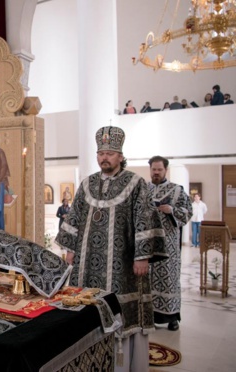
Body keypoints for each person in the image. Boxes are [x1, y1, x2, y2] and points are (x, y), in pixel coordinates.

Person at [55, 126, 166, 372]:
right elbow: (74, 217)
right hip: (86, 264)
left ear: (120, 155)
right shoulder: (87, 184)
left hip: (123, 264)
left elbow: (145, 218)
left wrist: (143, 255)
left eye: (110, 153)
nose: (104, 157)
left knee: (121, 313)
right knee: (87, 309)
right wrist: (70, 249)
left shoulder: (135, 183)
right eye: (101, 153)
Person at [148, 156, 193, 331]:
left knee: (169, 279)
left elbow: (187, 211)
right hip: (149, 244)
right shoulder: (144, 189)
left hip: (169, 246)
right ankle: (150, 316)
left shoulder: (176, 190)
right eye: (154, 169)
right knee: (148, 280)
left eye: (159, 169)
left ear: (165, 170)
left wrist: (171, 210)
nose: (156, 172)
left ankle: (172, 318)